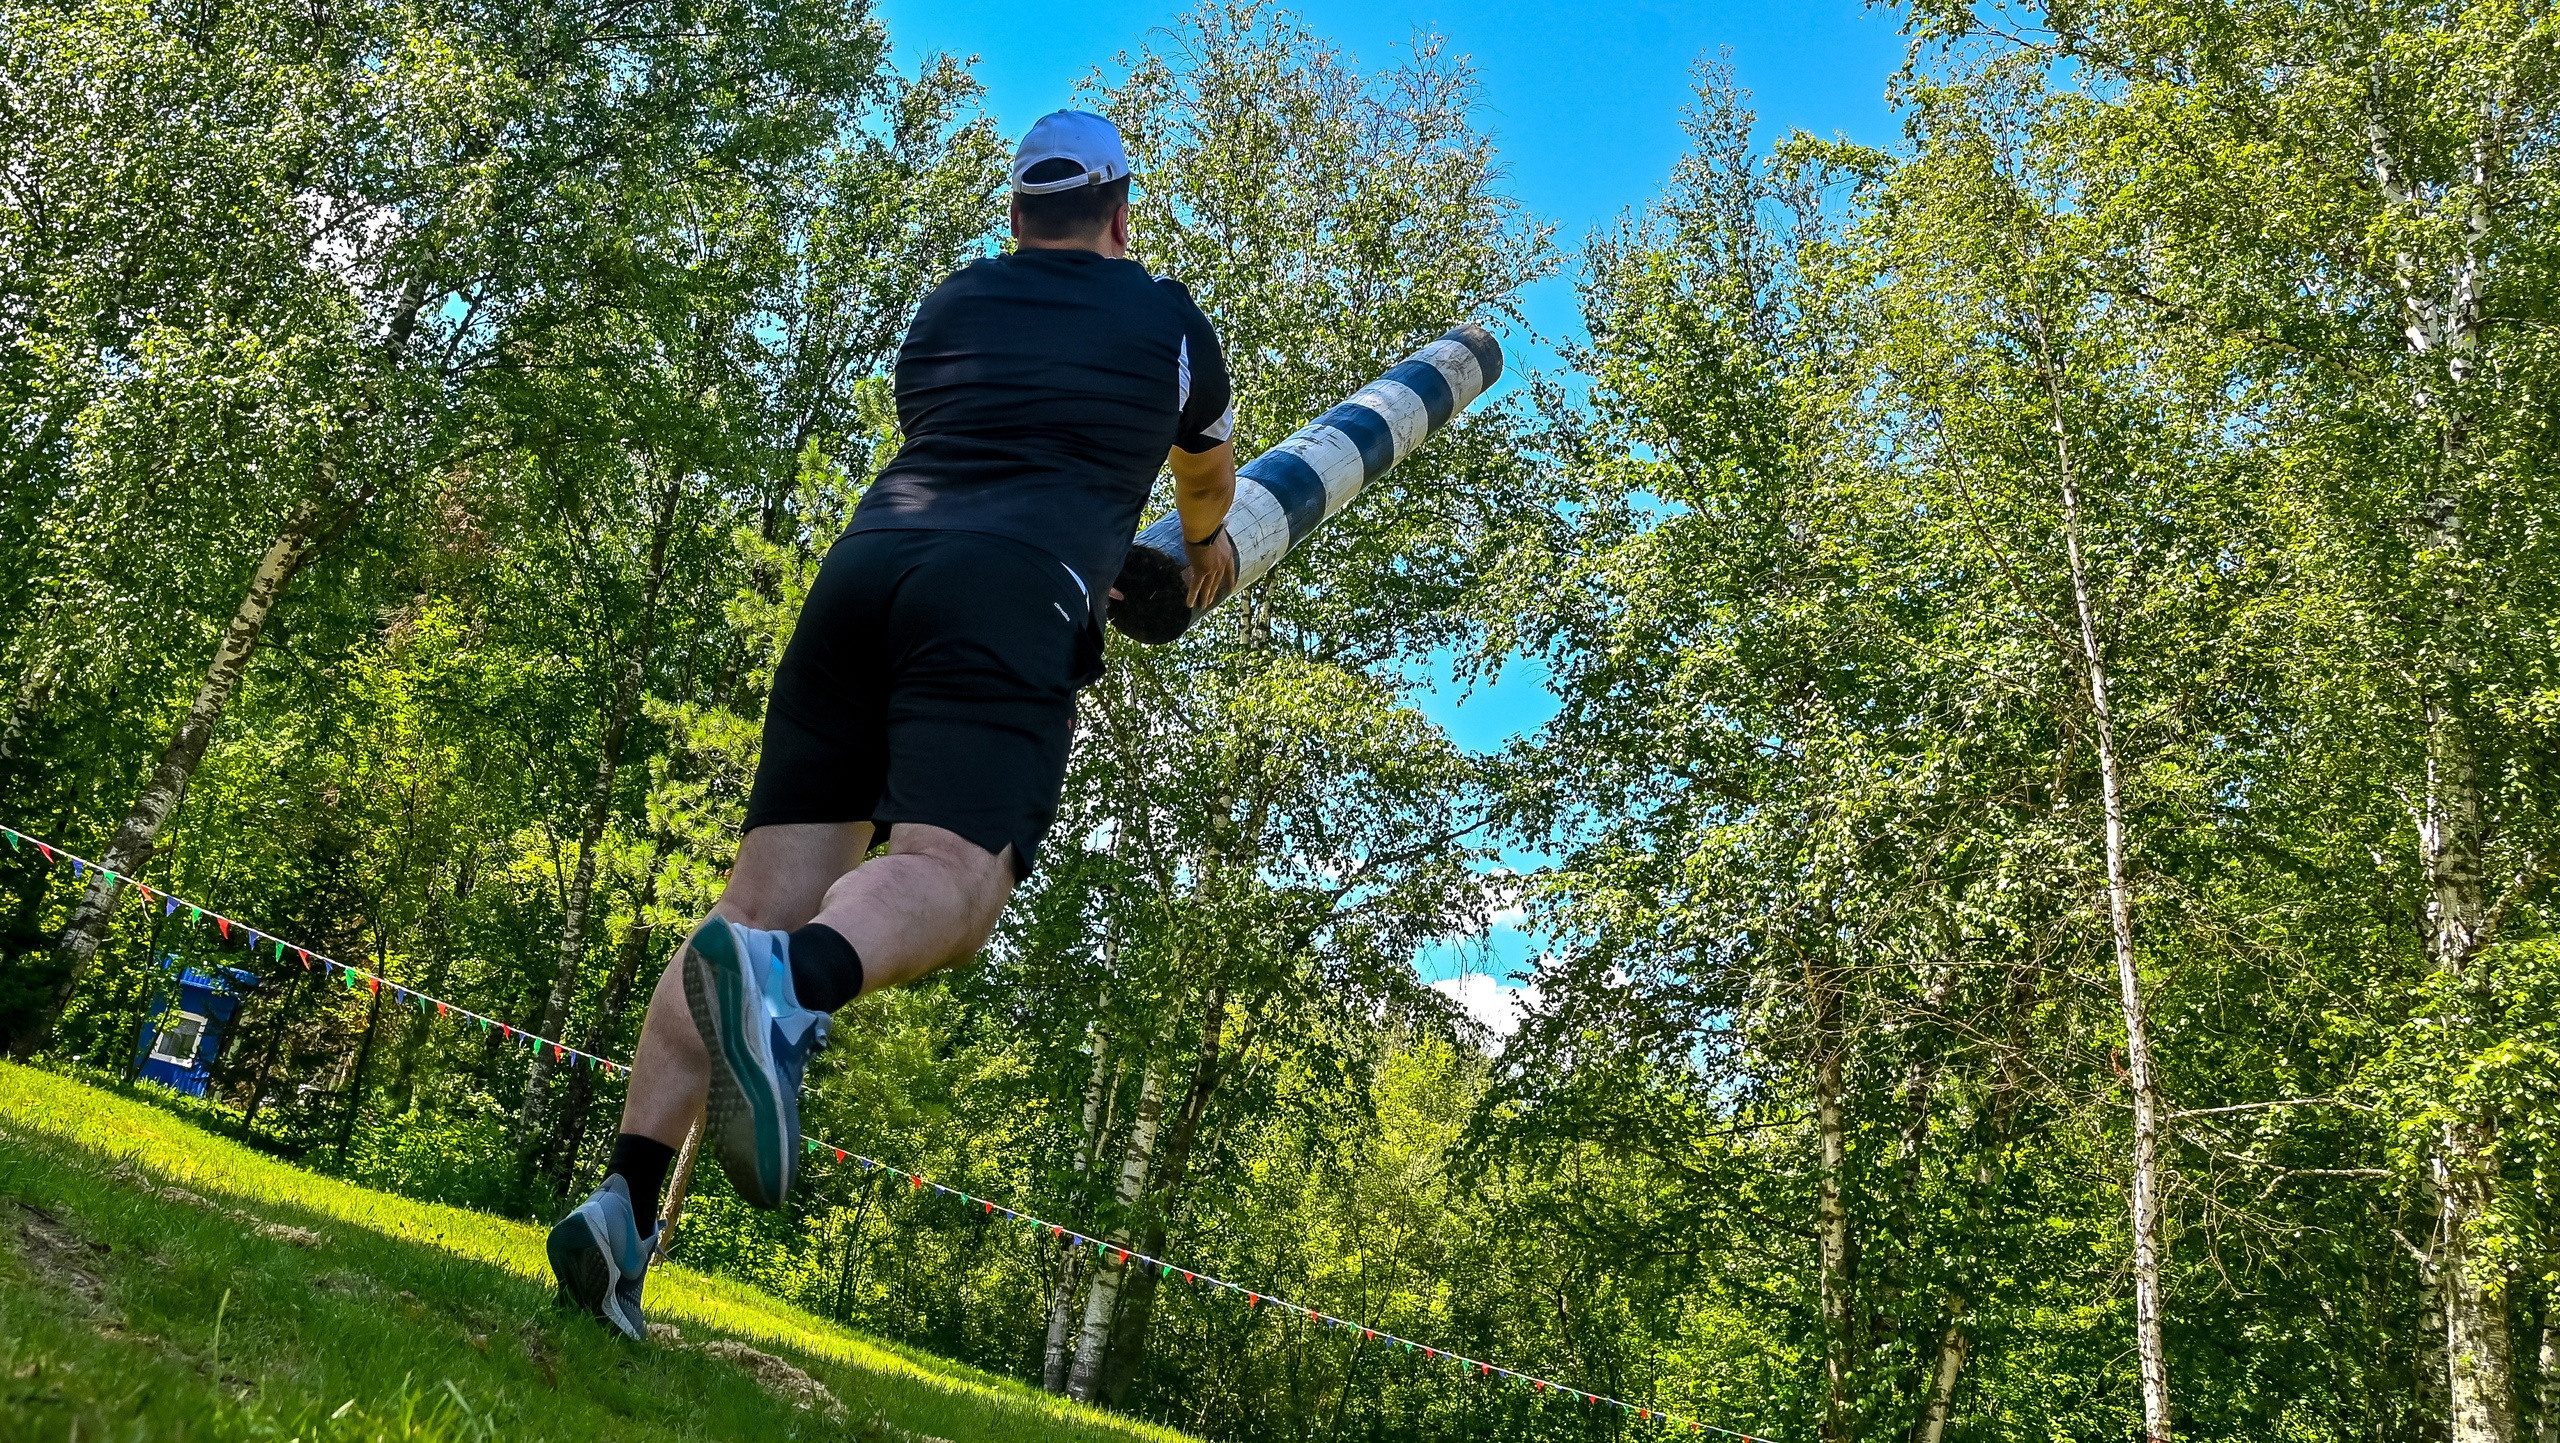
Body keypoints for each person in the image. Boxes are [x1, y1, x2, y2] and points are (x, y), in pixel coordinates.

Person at [544, 109, 1240, 1340]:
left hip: (863, 576)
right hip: (1006, 594)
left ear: (1014, 214)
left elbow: (1000, 427)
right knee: (953, 880)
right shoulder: (1170, 323)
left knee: (749, 903)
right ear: (1123, 213)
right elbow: (1200, 475)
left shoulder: (949, 310)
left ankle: (623, 1209)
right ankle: (796, 985)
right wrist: (1193, 561)